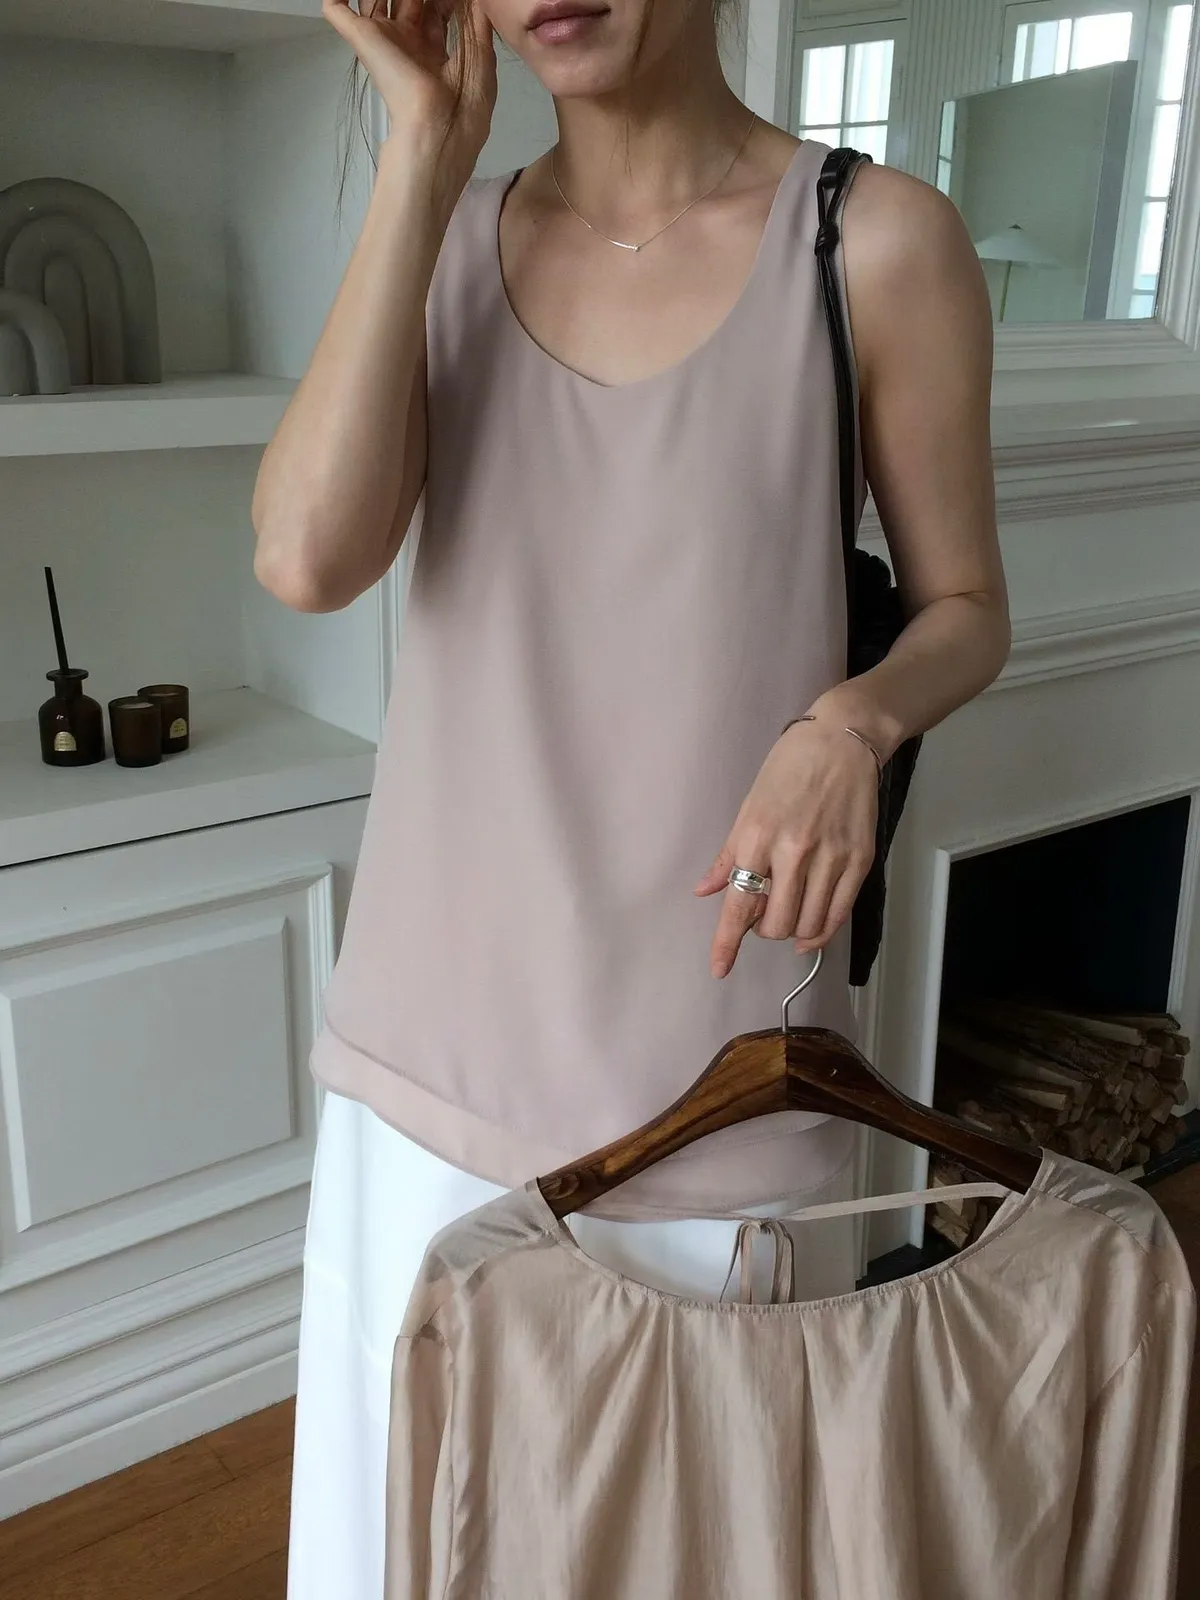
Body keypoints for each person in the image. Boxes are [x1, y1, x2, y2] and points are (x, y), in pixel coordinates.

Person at [252, 0, 1007, 1592]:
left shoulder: (871, 243)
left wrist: (852, 725)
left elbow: (964, 607)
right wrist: (419, 157)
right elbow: (308, 558)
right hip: (429, 1067)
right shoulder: (445, 239)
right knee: (411, 1547)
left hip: (715, 1081)